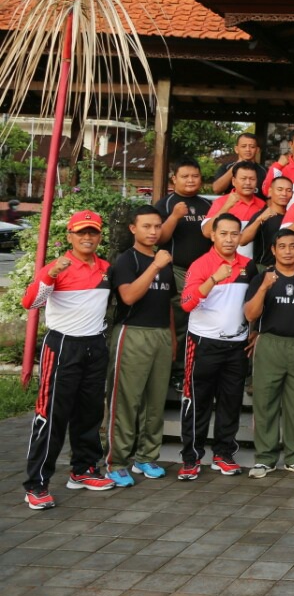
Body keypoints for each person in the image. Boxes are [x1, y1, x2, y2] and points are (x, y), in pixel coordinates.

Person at [22, 210, 116, 508]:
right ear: (70, 236)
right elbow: (31, 302)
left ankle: (83, 470)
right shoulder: (57, 266)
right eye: (81, 232)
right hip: (63, 345)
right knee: (51, 415)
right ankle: (36, 484)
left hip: (95, 345)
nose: (87, 237)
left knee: (90, 412)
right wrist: (51, 274)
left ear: (99, 236)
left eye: (93, 232)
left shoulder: (106, 268)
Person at [178, 213, 257, 481]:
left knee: (230, 402)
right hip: (203, 343)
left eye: (234, 234)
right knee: (197, 402)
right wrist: (213, 279)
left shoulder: (248, 266)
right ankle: (191, 458)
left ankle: (223, 454)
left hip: (236, 346)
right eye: (223, 233)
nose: (229, 239)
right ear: (213, 235)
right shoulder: (201, 264)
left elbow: (255, 302)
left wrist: (255, 330)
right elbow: (186, 303)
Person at [104, 206, 177, 487]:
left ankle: (146, 457)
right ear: (133, 229)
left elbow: (167, 304)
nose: (153, 231)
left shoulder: (163, 260)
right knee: (126, 400)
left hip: (160, 335)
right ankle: (117, 462)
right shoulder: (127, 260)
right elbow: (129, 297)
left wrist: (172, 338)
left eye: (157, 226)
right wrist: (155, 266)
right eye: (146, 226)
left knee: (155, 401)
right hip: (132, 334)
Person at [243, 229, 294, 478]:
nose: (287, 251)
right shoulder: (261, 278)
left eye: (292, 246)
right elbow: (250, 314)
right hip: (270, 344)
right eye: (282, 246)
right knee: (265, 403)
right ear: (273, 250)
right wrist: (264, 287)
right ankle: (265, 458)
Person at [156, 157, 213, 338]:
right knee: (181, 317)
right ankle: (179, 355)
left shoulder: (207, 204)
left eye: (195, 176)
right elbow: (160, 238)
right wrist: (174, 216)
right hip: (178, 271)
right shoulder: (165, 204)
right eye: (185, 176)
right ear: (174, 179)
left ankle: (195, 354)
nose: (190, 180)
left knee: (205, 315)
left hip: (206, 271)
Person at [202, 161, 265, 260]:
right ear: (234, 181)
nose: (248, 183)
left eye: (252, 179)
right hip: (224, 264)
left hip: (253, 264)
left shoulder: (263, 205)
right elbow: (207, 232)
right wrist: (226, 206)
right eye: (243, 179)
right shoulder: (221, 202)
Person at [242, 177, 293, 271]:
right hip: (263, 268)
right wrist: (259, 220)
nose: (284, 193)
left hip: (288, 269)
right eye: (280, 189)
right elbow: (242, 241)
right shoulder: (262, 215)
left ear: (292, 194)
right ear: (270, 191)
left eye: (288, 190)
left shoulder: (292, 217)